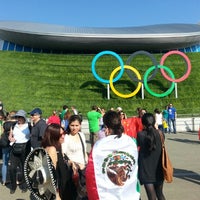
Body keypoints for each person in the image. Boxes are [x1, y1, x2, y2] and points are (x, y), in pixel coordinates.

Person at [86, 110, 140, 200]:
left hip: (107, 195)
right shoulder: (131, 142)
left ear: (106, 128)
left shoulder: (99, 146)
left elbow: (91, 174)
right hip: (129, 193)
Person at [137, 113, 166, 200]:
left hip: (146, 171)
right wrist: (156, 129)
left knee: (151, 197)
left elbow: (139, 145)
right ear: (154, 122)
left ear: (143, 123)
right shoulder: (160, 134)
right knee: (160, 194)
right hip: (159, 169)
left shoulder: (140, 135)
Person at [42, 123, 72, 200]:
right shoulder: (52, 149)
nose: (63, 136)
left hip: (63, 184)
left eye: (64, 133)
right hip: (59, 189)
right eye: (60, 135)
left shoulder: (57, 145)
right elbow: (52, 176)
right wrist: (57, 194)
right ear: (53, 136)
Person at [62, 115, 88, 200]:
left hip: (84, 168)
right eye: (72, 125)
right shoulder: (66, 137)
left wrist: (87, 163)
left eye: (77, 125)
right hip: (74, 171)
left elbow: (84, 151)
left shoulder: (81, 135)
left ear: (80, 125)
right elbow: (63, 154)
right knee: (76, 194)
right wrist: (72, 163)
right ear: (68, 125)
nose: (74, 128)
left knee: (85, 193)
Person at [8, 110, 31, 194]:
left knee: (24, 168)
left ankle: (24, 186)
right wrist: (10, 138)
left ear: (24, 118)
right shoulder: (14, 125)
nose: (19, 119)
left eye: (20, 117)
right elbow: (10, 135)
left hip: (25, 149)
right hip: (14, 149)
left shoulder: (28, 125)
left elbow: (32, 136)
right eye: (17, 117)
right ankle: (13, 186)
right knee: (11, 168)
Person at [1, 111, 17, 186]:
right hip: (13, 144)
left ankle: (4, 180)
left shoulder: (5, 123)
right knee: (14, 163)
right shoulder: (16, 124)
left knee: (5, 163)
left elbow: (3, 132)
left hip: (4, 143)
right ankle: (15, 179)